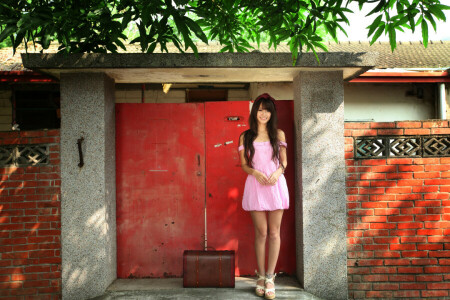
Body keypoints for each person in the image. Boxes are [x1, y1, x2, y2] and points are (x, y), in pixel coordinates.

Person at [237, 93, 289, 299]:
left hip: (276, 185)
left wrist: (277, 173)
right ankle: (259, 276)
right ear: (254, 112)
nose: (263, 113)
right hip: (256, 185)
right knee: (262, 232)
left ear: (272, 113)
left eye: (267, 110)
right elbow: (243, 165)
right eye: (260, 109)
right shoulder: (245, 136)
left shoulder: (279, 135)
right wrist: (256, 173)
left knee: (274, 232)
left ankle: (270, 277)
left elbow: (284, 162)